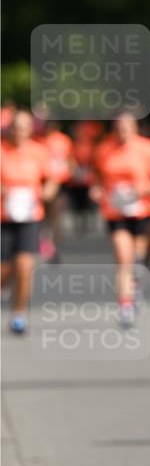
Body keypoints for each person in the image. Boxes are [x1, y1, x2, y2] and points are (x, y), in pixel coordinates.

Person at [91, 112, 150, 327]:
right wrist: (96, 190)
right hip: (115, 211)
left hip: (143, 210)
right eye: (119, 128)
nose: (122, 132)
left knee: (138, 260)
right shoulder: (104, 149)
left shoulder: (148, 149)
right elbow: (96, 176)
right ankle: (125, 305)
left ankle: (136, 286)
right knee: (124, 258)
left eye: (127, 128)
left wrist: (146, 190)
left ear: (135, 128)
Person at [1, 111, 58, 333]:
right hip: (4, 218)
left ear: (30, 129)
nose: (20, 132)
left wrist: (46, 192)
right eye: (16, 127)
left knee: (25, 267)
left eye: (25, 127)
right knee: (4, 270)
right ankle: (4, 286)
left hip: (30, 217)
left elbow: (52, 179)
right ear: (10, 129)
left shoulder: (39, 152)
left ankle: (18, 314)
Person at [35, 120, 74, 262]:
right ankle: (43, 245)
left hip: (61, 183)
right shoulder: (37, 141)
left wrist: (69, 173)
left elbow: (70, 160)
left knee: (55, 218)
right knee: (42, 218)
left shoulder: (63, 140)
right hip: (42, 183)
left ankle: (54, 249)